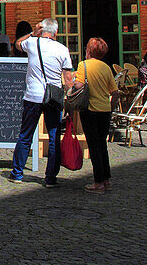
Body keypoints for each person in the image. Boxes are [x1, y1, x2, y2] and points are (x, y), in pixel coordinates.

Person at [8, 19, 75, 187]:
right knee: (54, 137)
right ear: (56, 33)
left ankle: (17, 173)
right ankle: (50, 178)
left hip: (33, 96)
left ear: (41, 30)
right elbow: (68, 80)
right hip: (53, 97)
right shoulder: (62, 49)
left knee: (25, 135)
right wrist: (68, 99)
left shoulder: (32, 42)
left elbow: (17, 44)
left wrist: (33, 32)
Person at [73, 37, 117, 193]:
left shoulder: (83, 65)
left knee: (94, 146)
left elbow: (78, 85)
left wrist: (72, 84)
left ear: (89, 50)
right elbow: (115, 92)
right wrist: (111, 108)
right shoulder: (106, 67)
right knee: (102, 145)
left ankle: (98, 182)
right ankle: (106, 179)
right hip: (104, 110)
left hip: (90, 109)